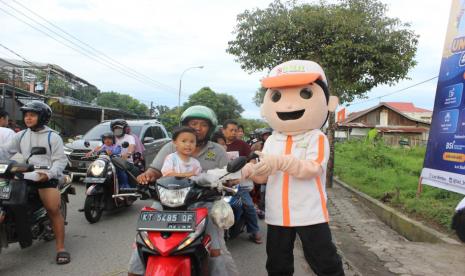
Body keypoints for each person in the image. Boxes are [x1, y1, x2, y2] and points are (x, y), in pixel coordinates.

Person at [242, 60, 344, 276]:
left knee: (325, 262)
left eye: (305, 93)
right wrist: (251, 171)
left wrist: (280, 162)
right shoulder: (272, 140)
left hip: (310, 213)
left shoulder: (316, 137)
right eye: (277, 96)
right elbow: (264, 177)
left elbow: (312, 169)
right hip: (278, 214)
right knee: (278, 265)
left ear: (328, 102)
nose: (287, 105)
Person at [129, 105, 238, 276]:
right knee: (144, 239)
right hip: (167, 202)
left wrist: (229, 181)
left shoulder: (217, 150)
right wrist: (147, 175)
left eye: (203, 124)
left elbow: (229, 176)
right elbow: (156, 170)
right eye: (194, 123)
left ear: (210, 129)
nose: (198, 127)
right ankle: (134, 272)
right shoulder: (170, 148)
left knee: (217, 249)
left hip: (205, 202)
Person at [0, 101, 70, 264]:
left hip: (45, 177)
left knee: (53, 209)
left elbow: (60, 160)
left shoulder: (53, 136)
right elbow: (4, 150)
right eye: (26, 115)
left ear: (42, 117)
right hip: (24, 173)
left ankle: (61, 248)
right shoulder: (22, 135)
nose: (28, 118)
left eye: (32, 115)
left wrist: (49, 173)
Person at [222, 119, 262, 244]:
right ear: (223, 130)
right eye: (231, 130)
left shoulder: (242, 144)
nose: (234, 133)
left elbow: (252, 160)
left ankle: (254, 231)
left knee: (249, 205)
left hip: (238, 184)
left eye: (236, 130)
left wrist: (243, 174)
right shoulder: (215, 145)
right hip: (218, 184)